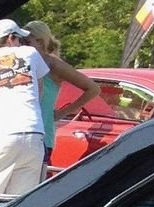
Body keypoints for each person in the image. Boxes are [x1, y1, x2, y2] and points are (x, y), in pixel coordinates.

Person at [0, 19, 98, 195]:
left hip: (3, 137)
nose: (21, 44)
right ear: (11, 38)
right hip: (35, 136)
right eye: (20, 39)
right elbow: (38, 91)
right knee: (16, 201)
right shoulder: (30, 54)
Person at [25, 20, 99, 162]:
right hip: (22, 134)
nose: (22, 47)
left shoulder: (53, 64)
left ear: (40, 42)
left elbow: (93, 88)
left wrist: (64, 112)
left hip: (42, 136)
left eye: (27, 43)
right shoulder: (23, 61)